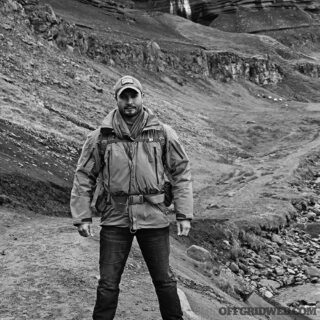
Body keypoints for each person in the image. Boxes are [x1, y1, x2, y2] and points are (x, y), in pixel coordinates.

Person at [70, 75, 193, 320]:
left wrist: (184, 214)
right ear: (116, 99)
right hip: (115, 218)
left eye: (133, 95)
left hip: (154, 217)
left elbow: (180, 171)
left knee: (165, 281)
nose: (129, 102)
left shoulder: (163, 133)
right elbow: (84, 176)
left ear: (142, 97)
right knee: (107, 284)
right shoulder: (99, 137)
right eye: (123, 96)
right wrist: (82, 217)